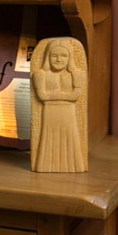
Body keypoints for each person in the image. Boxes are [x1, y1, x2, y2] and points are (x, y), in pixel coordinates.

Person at [30, 37, 87, 171]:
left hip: (68, 114)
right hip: (50, 114)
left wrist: (53, 95)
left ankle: (73, 167)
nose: (59, 59)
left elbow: (75, 96)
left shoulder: (77, 74)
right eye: (54, 55)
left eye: (64, 56)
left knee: (70, 140)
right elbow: (42, 96)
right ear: (47, 57)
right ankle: (45, 167)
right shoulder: (40, 75)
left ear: (70, 57)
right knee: (49, 140)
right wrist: (64, 96)